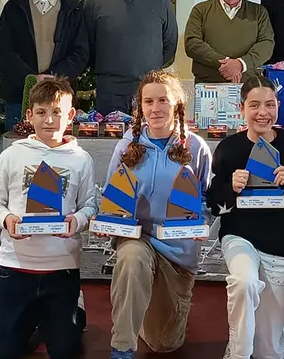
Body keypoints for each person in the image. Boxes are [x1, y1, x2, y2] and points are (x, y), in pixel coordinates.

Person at [205, 75, 284, 359]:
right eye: (254, 105)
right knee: (243, 281)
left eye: (270, 105)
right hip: (240, 237)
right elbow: (213, 204)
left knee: (270, 352)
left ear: (278, 108)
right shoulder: (229, 148)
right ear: (241, 108)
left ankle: (278, 309)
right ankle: (238, 350)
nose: (262, 113)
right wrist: (230, 188)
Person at [0, 77, 97, 359]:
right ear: (29, 115)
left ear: (70, 116)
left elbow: (90, 205)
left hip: (62, 267)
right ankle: (38, 320)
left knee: (64, 350)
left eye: (57, 112)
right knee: (5, 350)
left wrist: (77, 221)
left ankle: (72, 313)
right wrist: (7, 219)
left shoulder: (81, 159)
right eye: (42, 112)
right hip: (16, 266)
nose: (49, 120)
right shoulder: (11, 155)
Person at [103, 70, 213, 359]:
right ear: (140, 107)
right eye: (148, 101)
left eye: (163, 100)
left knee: (163, 344)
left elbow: (209, 204)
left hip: (177, 253)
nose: (155, 108)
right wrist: (108, 223)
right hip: (138, 240)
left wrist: (201, 225)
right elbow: (111, 198)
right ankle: (122, 347)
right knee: (132, 257)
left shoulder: (196, 149)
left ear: (176, 104)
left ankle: (144, 310)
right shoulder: (127, 146)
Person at [0, 0, 89, 130]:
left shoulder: (74, 10)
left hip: (59, 98)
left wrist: (53, 78)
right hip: (19, 97)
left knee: (58, 152)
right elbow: (5, 49)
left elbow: (80, 52)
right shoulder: (14, 6)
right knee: (19, 153)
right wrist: (31, 79)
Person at [83, 0, 178, 114]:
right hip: (109, 90)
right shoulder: (96, 1)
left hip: (149, 90)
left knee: (147, 138)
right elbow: (88, 44)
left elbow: (169, 46)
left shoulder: (162, 2)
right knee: (109, 140)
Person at [185, 0, 275, 83]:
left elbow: (266, 44)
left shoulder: (259, 12)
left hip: (249, 87)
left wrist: (240, 64)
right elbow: (192, 44)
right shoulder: (200, 10)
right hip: (208, 86)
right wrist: (225, 64)